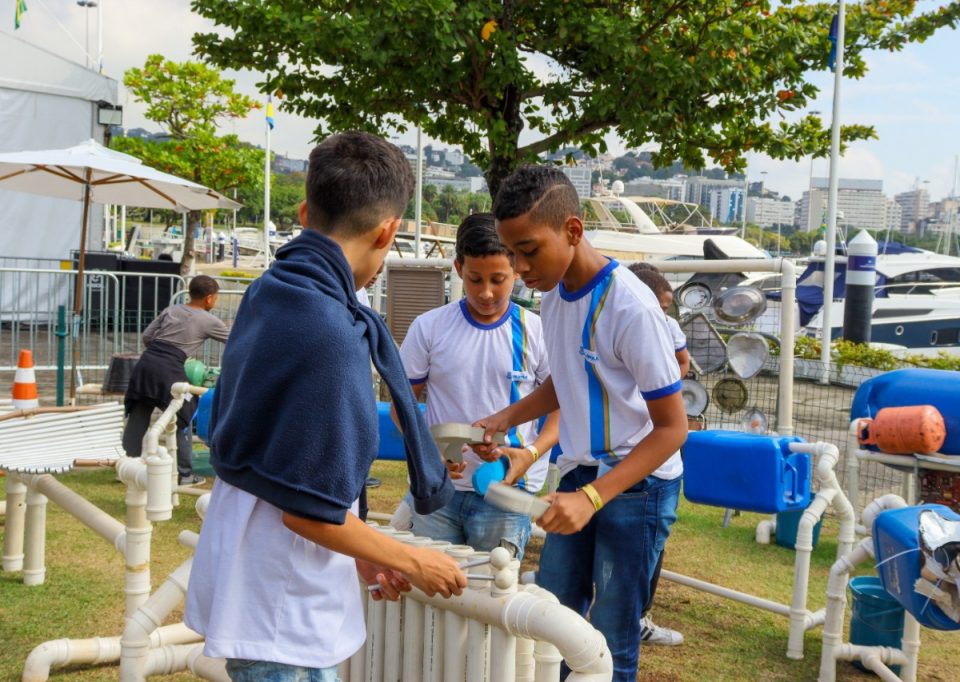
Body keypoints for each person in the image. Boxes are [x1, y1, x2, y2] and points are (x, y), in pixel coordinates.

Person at [185, 132, 466, 682]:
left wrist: (361, 553)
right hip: (281, 603)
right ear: (387, 231)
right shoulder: (331, 330)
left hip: (255, 568)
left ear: (303, 211)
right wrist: (410, 558)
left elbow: (288, 462)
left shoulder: (274, 288)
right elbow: (307, 509)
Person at [474, 165, 688, 682]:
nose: (520, 266)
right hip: (576, 472)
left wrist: (593, 498)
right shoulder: (553, 296)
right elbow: (569, 379)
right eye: (513, 253)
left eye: (529, 250)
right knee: (554, 617)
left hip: (638, 486)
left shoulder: (632, 308)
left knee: (612, 636)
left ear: (573, 230)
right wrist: (508, 417)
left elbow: (672, 429)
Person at [397, 212, 559, 558]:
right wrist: (431, 452)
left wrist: (530, 454)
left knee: (493, 594)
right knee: (433, 601)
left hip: (505, 489)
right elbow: (402, 404)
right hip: (438, 488)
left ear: (516, 268)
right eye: (474, 279)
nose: (486, 292)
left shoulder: (537, 331)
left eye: (498, 279)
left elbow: (563, 406)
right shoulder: (429, 327)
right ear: (458, 269)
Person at [627, 263, 689, 647]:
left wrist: (663, 390)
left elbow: (681, 364)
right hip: (621, 455)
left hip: (661, 462)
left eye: (668, 308)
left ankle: (638, 619)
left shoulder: (664, 328)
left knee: (651, 545)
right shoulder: (621, 318)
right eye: (660, 306)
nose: (664, 314)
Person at [122, 275, 229, 485]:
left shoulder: (171, 310)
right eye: (215, 298)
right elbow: (234, 339)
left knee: (139, 413)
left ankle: (126, 467)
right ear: (209, 298)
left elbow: (147, 336)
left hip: (145, 364)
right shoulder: (209, 320)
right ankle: (185, 474)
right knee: (186, 415)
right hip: (169, 368)